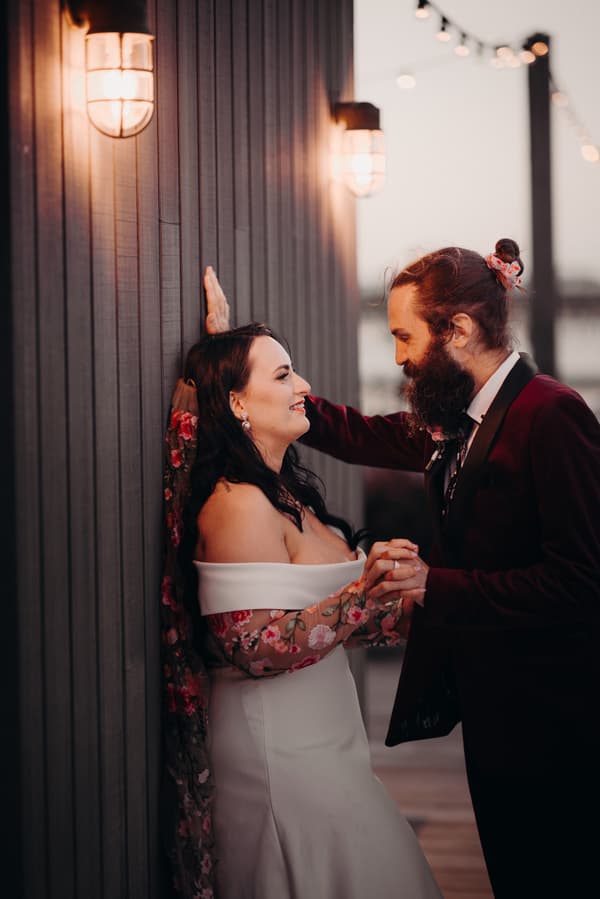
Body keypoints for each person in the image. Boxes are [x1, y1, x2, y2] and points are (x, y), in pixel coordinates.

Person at [204, 243, 600, 898]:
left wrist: (431, 586)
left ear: (461, 330)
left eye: (404, 335)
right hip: (495, 710)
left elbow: (583, 580)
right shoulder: (453, 419)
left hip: (559, 719)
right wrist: (231, 371)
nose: (397, 356)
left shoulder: (551, 415)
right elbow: (354, 430)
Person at [164, 318, 442, 898]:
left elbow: (330, 623)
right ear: (237, 402)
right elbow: (251, 648)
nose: (304, 385)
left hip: (327, 741)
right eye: (285, 374)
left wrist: (416, 600)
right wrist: (362, 593)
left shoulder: (287, 494)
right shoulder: (236, 506)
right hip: (276, 753)